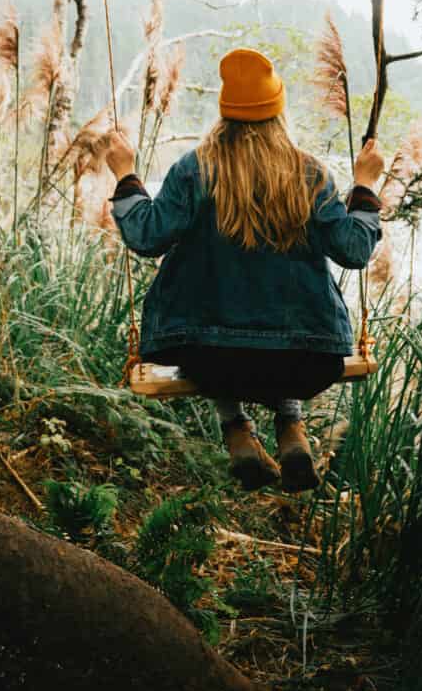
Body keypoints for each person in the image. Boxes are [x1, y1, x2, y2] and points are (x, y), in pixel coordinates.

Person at [105, 47, 384, 492]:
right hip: (308, 362)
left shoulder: (195, 170)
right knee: (280, 347)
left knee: (223, 342)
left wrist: (125, 175)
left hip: (208, 358)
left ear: (224, 113)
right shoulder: (310, 174)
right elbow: (353, 250)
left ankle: (235, 427)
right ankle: (291, 426)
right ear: (278, 112)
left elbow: (146, 236)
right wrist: (365, 186)